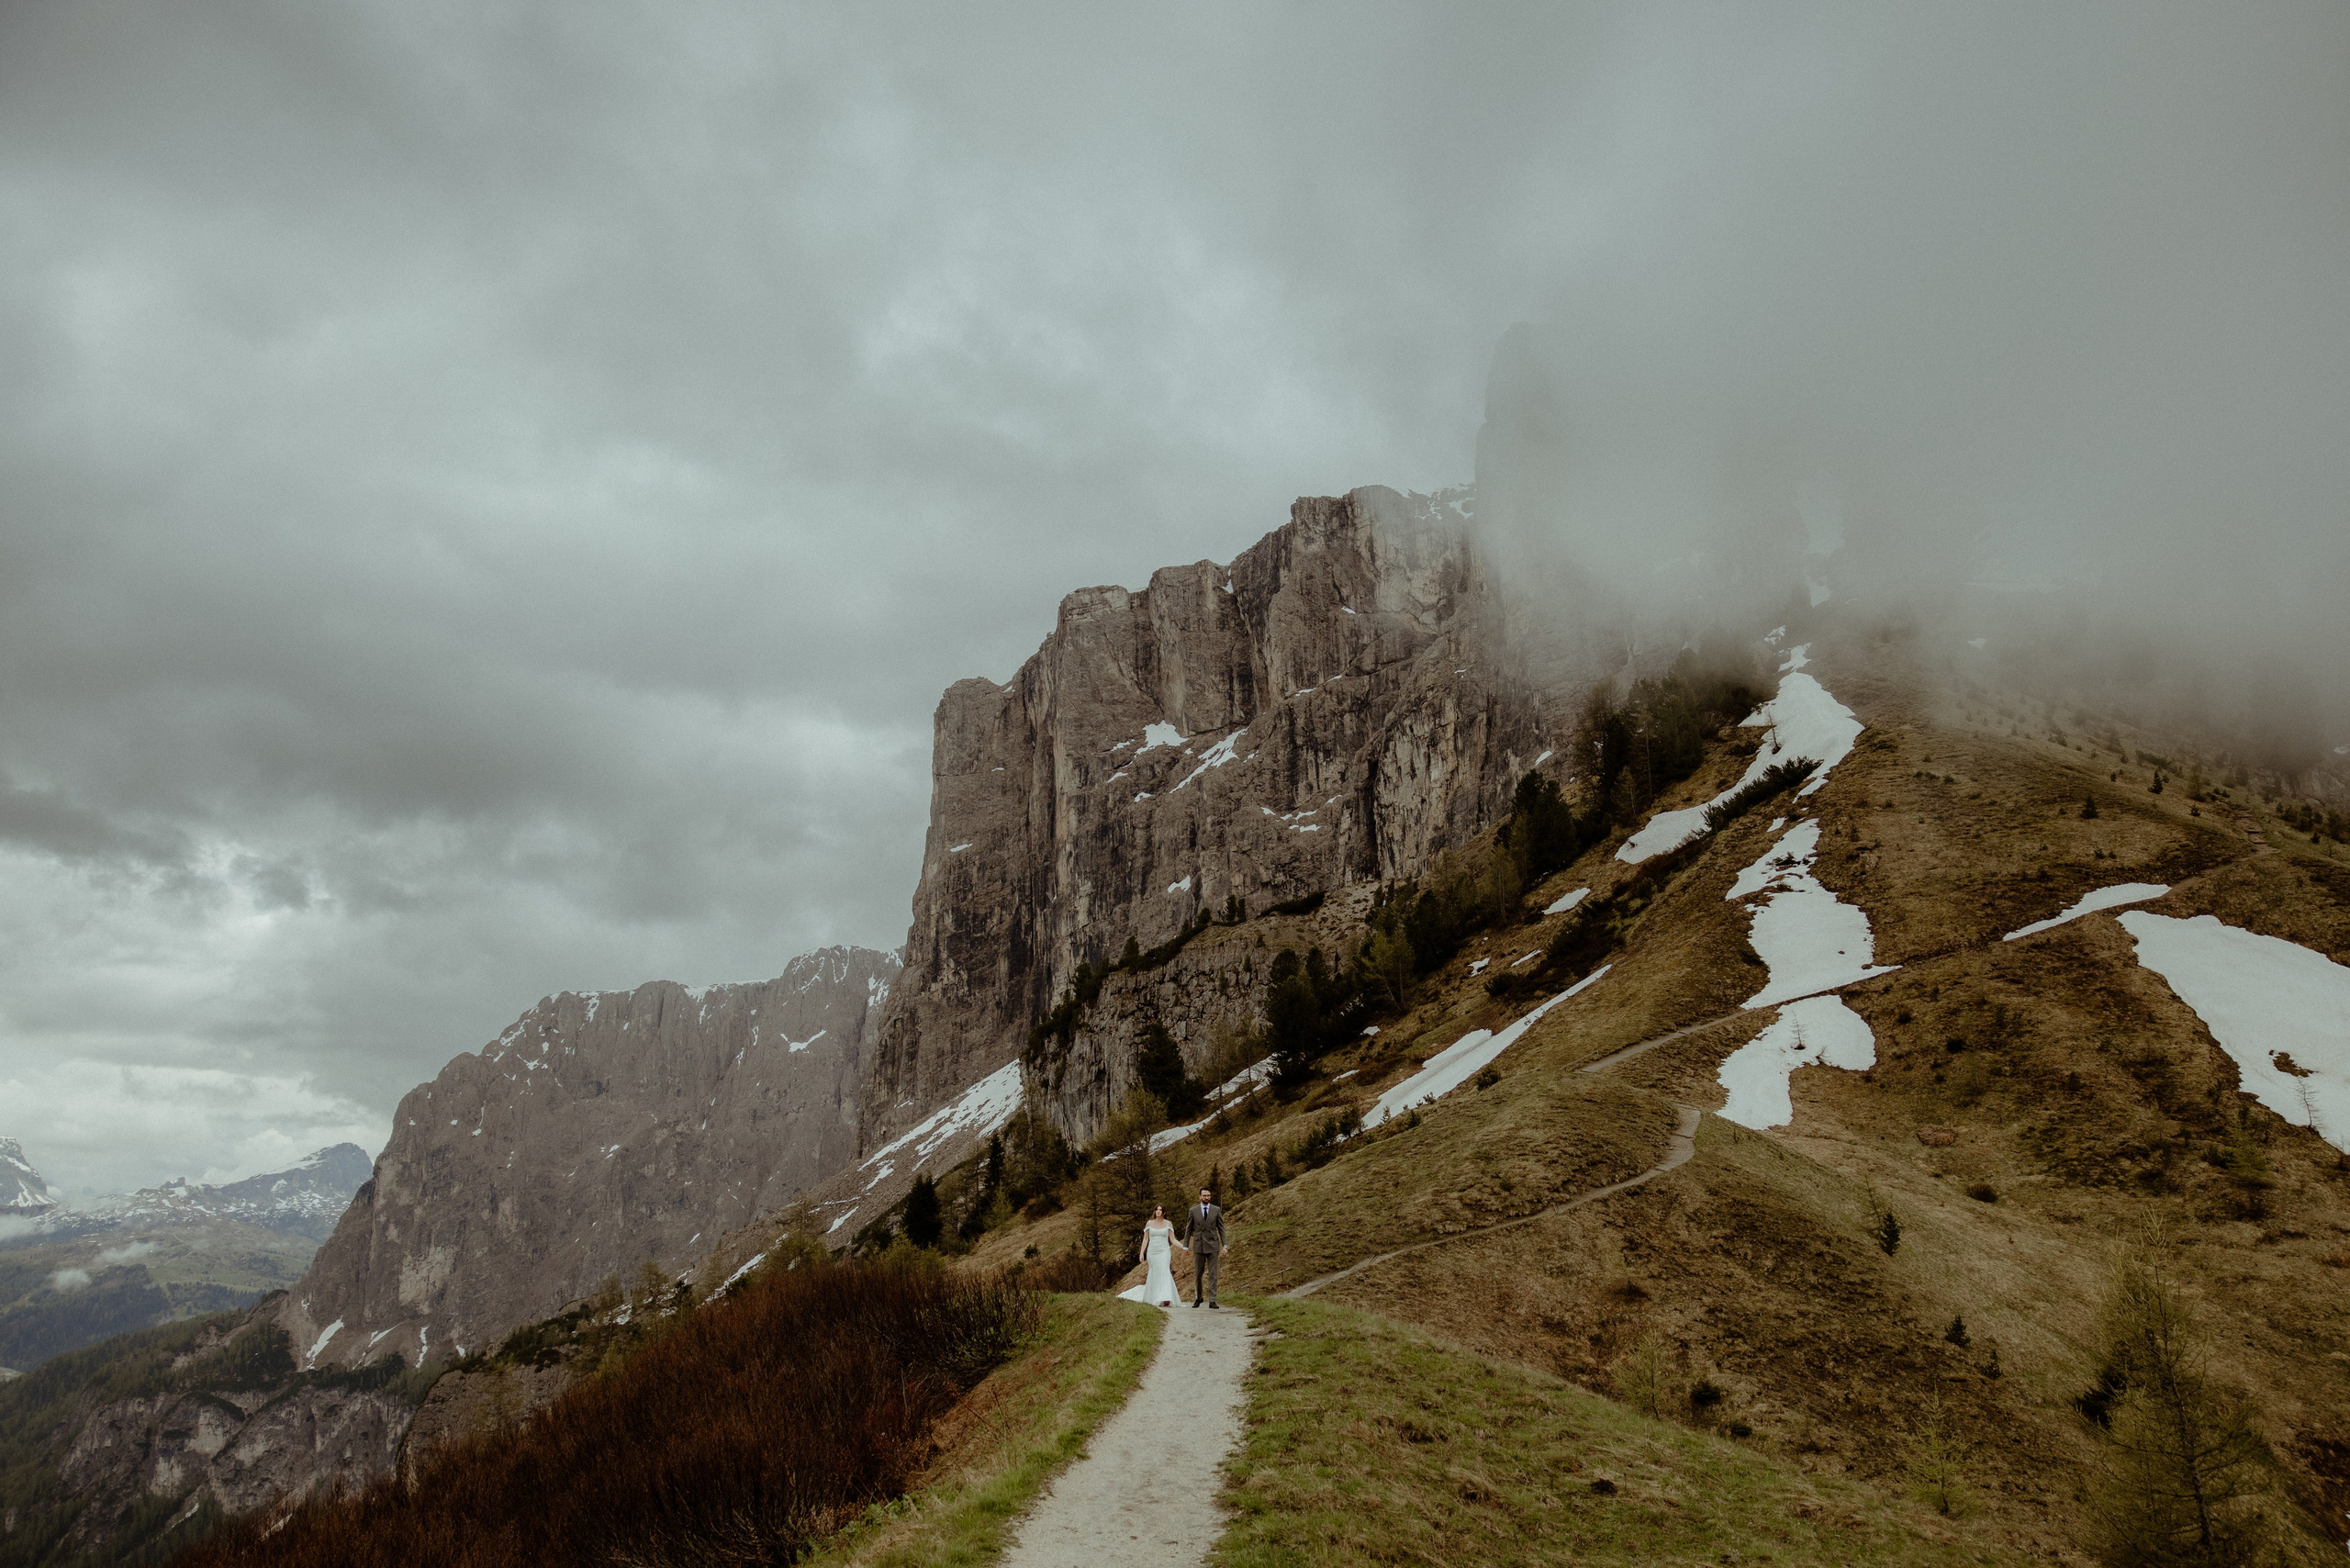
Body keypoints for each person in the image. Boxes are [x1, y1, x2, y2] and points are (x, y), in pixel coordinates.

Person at [1117, 1203, 1183, 1308]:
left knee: (1165, 1271)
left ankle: (1166, 1297)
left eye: (1160, 1210)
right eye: (1156, 1209)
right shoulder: (1149, 1223)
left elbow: (1173, 1239)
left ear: (1164, 1212)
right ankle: (1156, 1296)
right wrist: (1142, 1252)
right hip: (1152, 1252)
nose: (1158, 1211)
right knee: (1155, 1273)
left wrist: (1183, 1247)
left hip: (1164, 1251)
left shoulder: (1168, 1224)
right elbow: (1146, 1239)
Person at [1181, 1185, 1227, 1308]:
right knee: (1198, 1273)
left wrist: (1225, 1245)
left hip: (1213, 1244)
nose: (1207, 1198)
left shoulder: (1216, 1210)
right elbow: (1188, 1229)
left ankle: (1212, 1300)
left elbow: (1221, 1228)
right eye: (1204, 1195)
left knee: (1213, 1273)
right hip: (1199, 1245)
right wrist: (1185, 1246)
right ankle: (1198, 1297)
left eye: (1208, 1195)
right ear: (1200, 1197)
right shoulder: (1193, 1210)